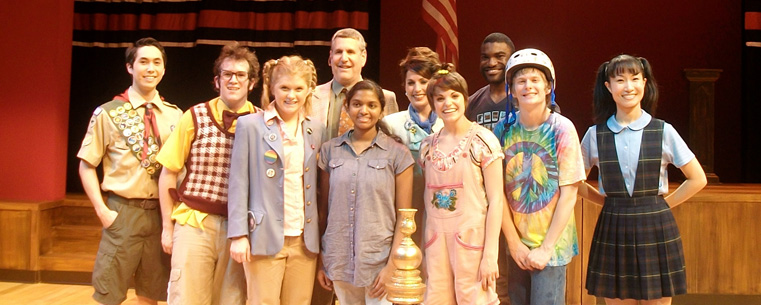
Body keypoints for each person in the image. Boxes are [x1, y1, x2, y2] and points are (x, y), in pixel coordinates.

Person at [580, 54, 707, 305]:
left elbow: (697, 178)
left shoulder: (663, 130)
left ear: (645, 83)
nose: (628, 86)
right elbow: (574, 184)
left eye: (635, 79)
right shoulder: (595, 135)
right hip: (613, 224)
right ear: (608, 87)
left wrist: (663, 205)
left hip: (655, 224)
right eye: (620, 80)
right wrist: (605, 203)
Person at [77, 37, 182, 305]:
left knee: (153, 291)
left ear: (164, 70)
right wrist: (102, 211)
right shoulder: (109, 113)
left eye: (156, 62)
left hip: (162, 214)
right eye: (143, 61)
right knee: (109, 292)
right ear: (130, 67)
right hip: (122, 211)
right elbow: (87, 165)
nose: (150, 68)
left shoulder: (176, 116)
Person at [155, 42, 258, 305]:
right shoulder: (194, 116)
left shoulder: (261, 122)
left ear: (252, 83)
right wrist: (167, 227)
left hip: (239, 230)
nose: (233, 80)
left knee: (232, 299)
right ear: (217, 80)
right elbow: (168, 173)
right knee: (187, 297)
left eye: (240, 75)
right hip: (195, 223)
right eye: (227, 74)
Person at [227, 55, 323, 305]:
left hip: (304, 239)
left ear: (308, 90)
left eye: (298, 89)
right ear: (271, 88)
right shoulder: (250, 125)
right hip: (264, 236)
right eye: (284, 88)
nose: (291, 95)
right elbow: (238, 183)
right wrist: (238, 234)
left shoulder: (316, 128)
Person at [493, 48, 585, 305]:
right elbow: (496, 191)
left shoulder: (561, 128)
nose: (528, 86)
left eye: (535, 80)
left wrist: (545, 249)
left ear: (548, 87)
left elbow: (569, 193)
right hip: (517, 245)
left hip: (551, 247)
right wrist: (513, 243)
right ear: (511, 89)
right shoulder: (503, 129)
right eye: (520, 81)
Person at [316, 80, 414, 305]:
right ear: (347, 107)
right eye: (357, 104)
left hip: (379, 263)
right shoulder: (330, 150)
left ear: (381, 110)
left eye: (371, 105)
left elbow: (405, 218)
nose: (364, 111)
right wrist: (322, 260)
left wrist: (392, 266)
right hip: (338, 259)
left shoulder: (397, 154)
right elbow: (324, 212)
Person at [420, 67, 504, 304]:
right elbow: (427, 204)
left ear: (465, 99)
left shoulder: (482, 141)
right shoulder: (428, 147)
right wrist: (425, 250)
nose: (448, 103)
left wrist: (490, 254)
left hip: (472, 242)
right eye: (440, 98)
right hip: (435, 242)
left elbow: (497, 200)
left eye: (454, 95)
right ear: (433, 104)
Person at [381, 46, 443, 245]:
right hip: (402, 216)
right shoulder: (391, 125)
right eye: (411, 83)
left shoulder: (449, 123)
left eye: (423, 82)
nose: (417, 89)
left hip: (441, 216)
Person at [312, 28, 399, 140]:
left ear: (363, 57)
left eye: (350, 52)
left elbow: (390, 146)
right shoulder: (310, 97)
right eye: (338, 52)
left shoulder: (386, 98)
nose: (344, 58)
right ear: (330, 57)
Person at [466, 32, 515, 131]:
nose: (491, 63)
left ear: (512, 59)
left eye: (499, 56)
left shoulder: (530, 99)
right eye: (485, 57)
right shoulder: (471, 103)